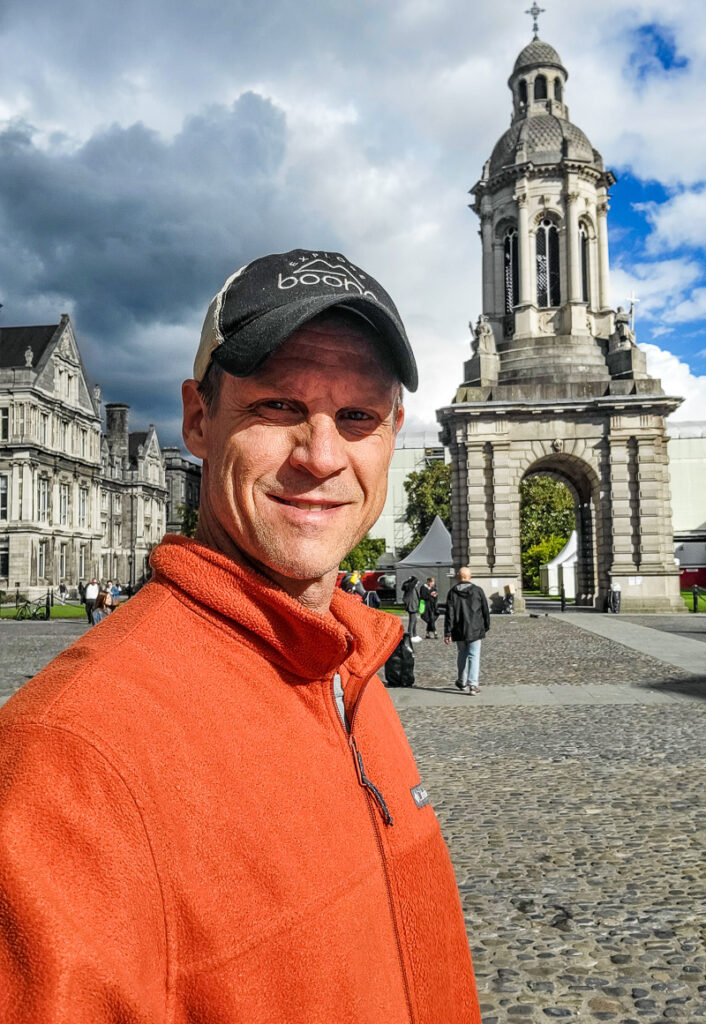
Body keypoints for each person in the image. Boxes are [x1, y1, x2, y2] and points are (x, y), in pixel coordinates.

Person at [0, 249, 480, 1023]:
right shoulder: (68, 760)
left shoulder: (355, 669)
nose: (322, 457)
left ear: (392, 431)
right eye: (279, 407)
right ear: (198, 418)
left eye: (356, 416)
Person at [444, 567, 490, 695]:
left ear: (459, 577)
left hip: (458, 629)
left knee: (462, 654)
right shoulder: (478, 591)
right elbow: (485, 610)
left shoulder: (452, 592)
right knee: (474, 656)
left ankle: (461, 680)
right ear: (470, 577)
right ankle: (473, 685)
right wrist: (486, 626)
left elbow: (449, 614)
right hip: (475, 628)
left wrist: (448, 632)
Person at [401, 574, 422, 642]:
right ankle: (410, 635)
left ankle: (414, 634)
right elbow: (415, 580)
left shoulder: (411, 587)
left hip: (413, 605)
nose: (417, 584)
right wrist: (412, 578)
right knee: (412, 621)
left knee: (414, 621)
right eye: (417, 583)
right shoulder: (410, 587)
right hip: (411, 606)